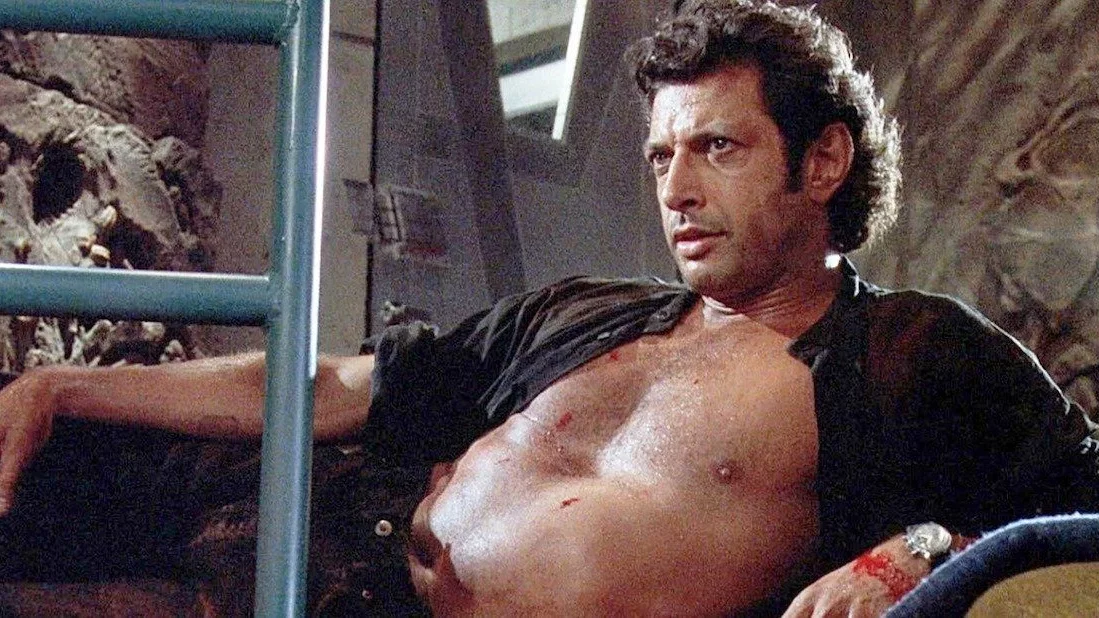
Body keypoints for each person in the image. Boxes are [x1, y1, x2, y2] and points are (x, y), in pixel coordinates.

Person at [0, 1, 1096, 616]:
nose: (676, 189)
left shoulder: (909, 355)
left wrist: (923, 547)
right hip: (311, 545)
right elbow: (333, 385)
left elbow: (1079, 511)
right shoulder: (592, 313)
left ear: (822, 161)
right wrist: (60, 386)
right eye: (661, 155)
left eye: (717, 148)